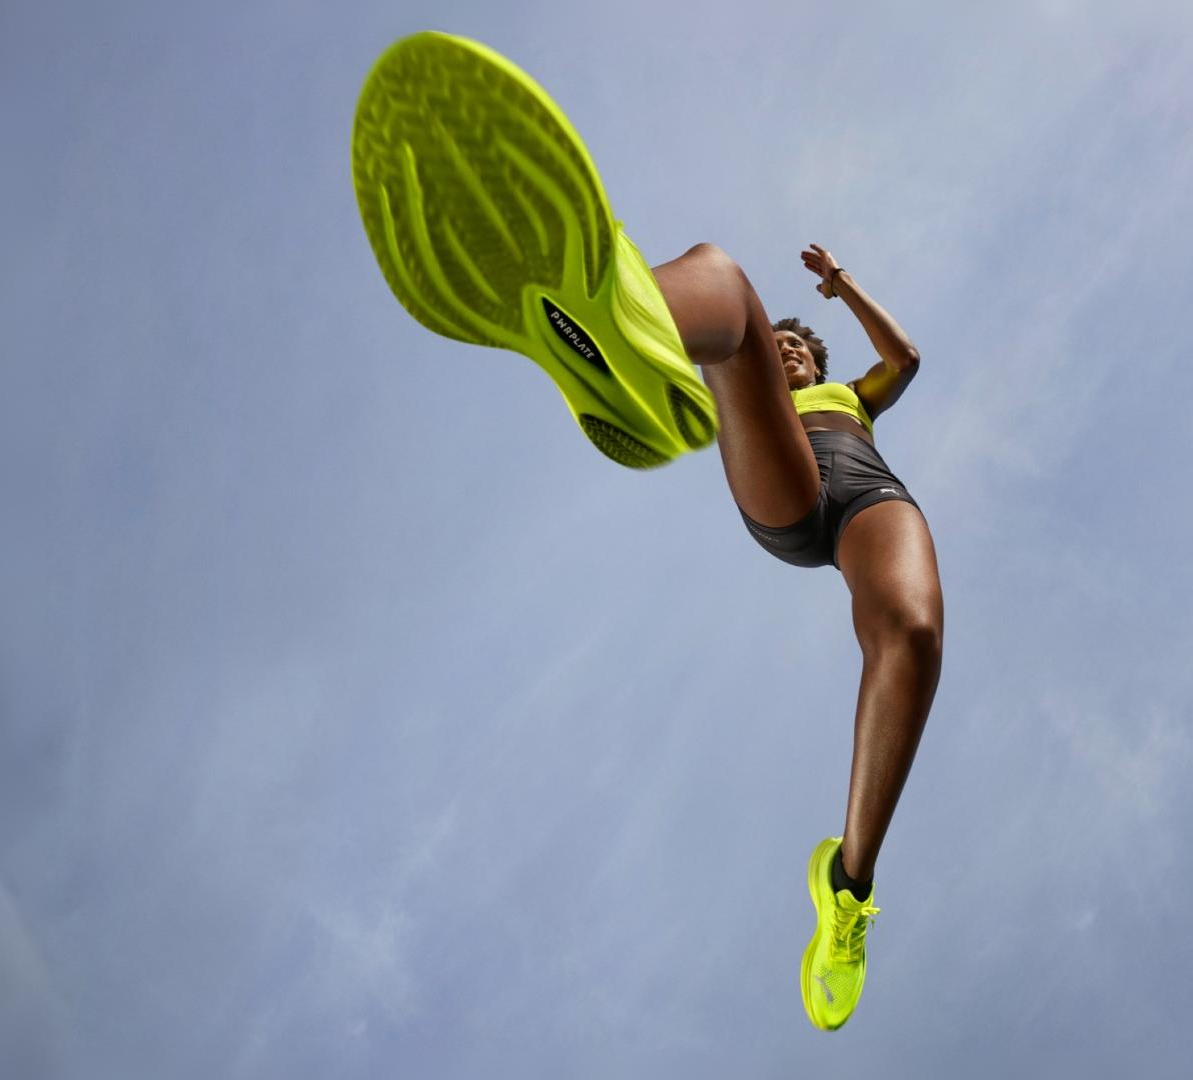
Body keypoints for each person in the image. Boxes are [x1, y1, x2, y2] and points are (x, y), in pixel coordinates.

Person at [351, 32, 942, 1032]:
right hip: (786, 484)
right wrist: (774, 327)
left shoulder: (854, 395)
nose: (796, 352)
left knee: (912, 635)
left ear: (820, 361)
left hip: (860, 499)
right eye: (792, 346)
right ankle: (619, 316)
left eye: (803, 346)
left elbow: (909, 356)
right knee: (728, 279)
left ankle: (846, 889)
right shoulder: (773, 380)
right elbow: (767, 332)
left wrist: (843, 287)